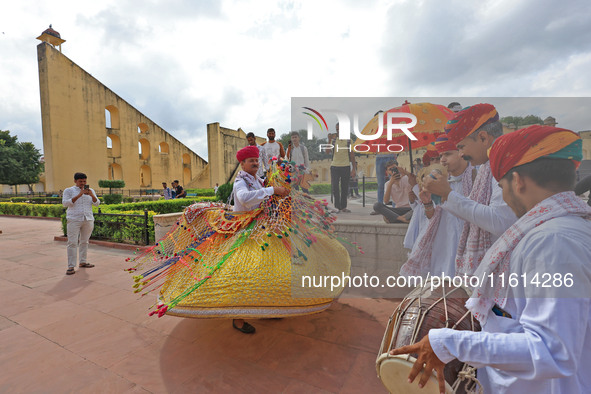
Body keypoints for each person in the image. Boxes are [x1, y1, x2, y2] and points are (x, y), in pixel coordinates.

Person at [391, 125, 591, 394]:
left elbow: (551, 351)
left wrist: (450, 343)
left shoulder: (552, 243)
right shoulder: (559, 232)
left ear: (517, 181)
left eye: (501, 186)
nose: (504, 196)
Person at [423, 103, 517, 275]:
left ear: (483, 138)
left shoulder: (504, 165)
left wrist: (447, 194)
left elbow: (500, 222)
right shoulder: (488, 166)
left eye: (461, 147)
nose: (460, 154)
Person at [231, 145, 288, 332]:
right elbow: (245, 198)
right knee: (242, 275)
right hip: (243, 233)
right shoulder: (241, 181)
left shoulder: (257, 179)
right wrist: (272, 190)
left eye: (256, 160)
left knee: (264, 272)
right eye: (251, 161)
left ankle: (265, 308)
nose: (255, 163)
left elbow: (269, 188)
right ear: (242, 164)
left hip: (259, 231)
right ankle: (237, 318)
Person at [400, 135, 473, 277]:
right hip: (443, 243)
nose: (442, 160)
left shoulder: (476, 178)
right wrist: (427, 203)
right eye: (440, 156)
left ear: (461, 152)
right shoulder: (440, 180)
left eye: (447, 154)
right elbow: (431, 216)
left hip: (467, 243)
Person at [62, 172, 100, 275]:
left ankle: (83, 261)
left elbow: (97, 204)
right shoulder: (69, 190)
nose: (82, 183)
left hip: (88, 219)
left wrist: (91, 195)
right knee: (72, 242)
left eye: (84, 181)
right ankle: (71, 266)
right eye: (80, 181)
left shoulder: (91, 190)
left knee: (85, 241)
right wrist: (80, 194)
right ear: (75, 181)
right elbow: (65, 203)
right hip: (74, 219)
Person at [327, 123, 357, 213]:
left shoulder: (349, 140)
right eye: (337, 129)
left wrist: (354, 169)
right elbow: (327, 151)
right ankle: (337, 207)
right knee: (335, 187)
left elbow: (352, 155)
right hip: (335, 166)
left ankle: (343, 207)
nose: (338, 131)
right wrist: (329, 140)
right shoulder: (333, 140)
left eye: (340, 129)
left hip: (345, 166)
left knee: (344, 188)